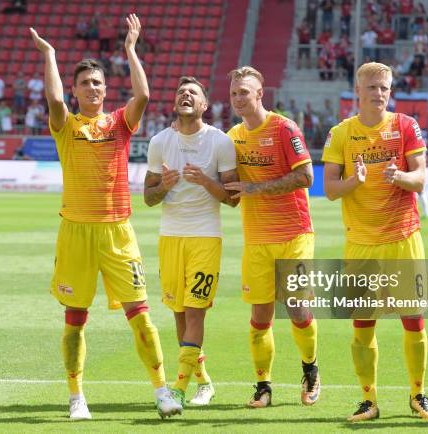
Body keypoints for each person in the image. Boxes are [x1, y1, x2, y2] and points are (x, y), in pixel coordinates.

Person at [29, 14, 182, 420]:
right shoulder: (66, 125)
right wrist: (50, 55)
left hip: (118, 230)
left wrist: (130, 49)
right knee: (75, 320)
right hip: (75, 230)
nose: (92, 88)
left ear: (105, 89)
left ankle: (162, 390)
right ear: (76, 91)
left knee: (142, 316)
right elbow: (54, 101)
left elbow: (144, 96)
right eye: (84, 83)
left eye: (97, 82)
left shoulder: (119, 123)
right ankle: (76, 395)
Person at [322, 62, 428, 422]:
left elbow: (420, 180)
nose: (379, 93)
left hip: (403, 238)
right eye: (372, 87)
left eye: (384, 87)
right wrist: (354, 182)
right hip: (360, 243)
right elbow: (329, 190)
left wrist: (399, 175)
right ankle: (368, 400)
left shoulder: (406, 125)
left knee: (413, 319)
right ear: (357, 90)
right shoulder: (340, 133)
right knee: (363, 322)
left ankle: (418, 394)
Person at [223, 66, 320, 408]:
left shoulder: (283, 128)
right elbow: (229, 187)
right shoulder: (233, 136)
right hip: (257, 239)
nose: (238, 98)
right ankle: (263, 386)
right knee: (260, 317)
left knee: (295, 307)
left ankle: (310, 369)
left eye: (244, 92)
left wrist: (256, 188)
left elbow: (307, 176)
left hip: (294, 233)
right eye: (234, 93)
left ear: (260, 93)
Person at [144, 76, 238, 408]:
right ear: (174, 103)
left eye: (193, 92)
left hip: (205, 235)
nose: (186, 94)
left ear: (204, 105)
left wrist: (206, 182)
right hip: (170, 237)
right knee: (180, 314)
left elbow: (232, 198)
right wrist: (164, 186)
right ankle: (204, 383)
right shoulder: (158, 142)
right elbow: (149, 197)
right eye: (181, 91)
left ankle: (178, 390)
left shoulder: (220, 142)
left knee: (196, 313)